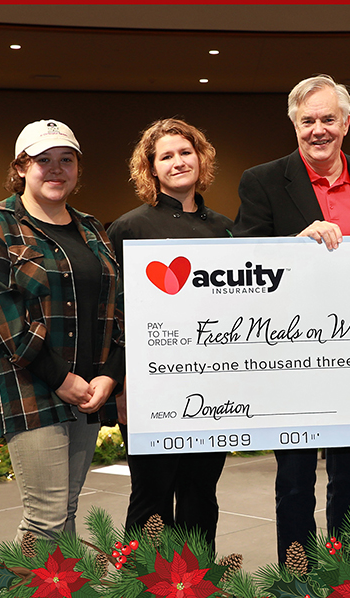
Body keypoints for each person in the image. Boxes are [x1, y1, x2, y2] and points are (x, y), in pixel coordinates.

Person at [232, 74, 350, 562]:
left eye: (328, 119)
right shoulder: (262, 179)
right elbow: (245, 259)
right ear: (293, 124)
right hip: (292, 352)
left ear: (346, 122)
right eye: (308, 121)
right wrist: (294, 247)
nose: (317, 129)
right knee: (296, 477)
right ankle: (296, 576)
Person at [0, 119, 124, 541]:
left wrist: (108, 374)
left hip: (88, 391)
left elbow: (117, 307)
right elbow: (2, 318)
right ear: (21, 167)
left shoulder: (90, 228)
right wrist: (60, 378)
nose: (55, 169)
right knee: (45, 518)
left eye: (65, 160)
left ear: (77, 168)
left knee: (65, 512)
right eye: (42, 160)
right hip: (30, 389)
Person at [108, 118, 233, 549]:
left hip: (211, 388)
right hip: (150, 388)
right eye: (166, 156)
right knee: (151, 497)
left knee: (201, 495)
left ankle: (199, 585)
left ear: (201, 158)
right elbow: (115, 315)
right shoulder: (128, 228)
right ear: (151, 169)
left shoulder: (225, 229)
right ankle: (141, 588)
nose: (178, 162)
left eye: (185, 152)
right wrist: (121, 384)